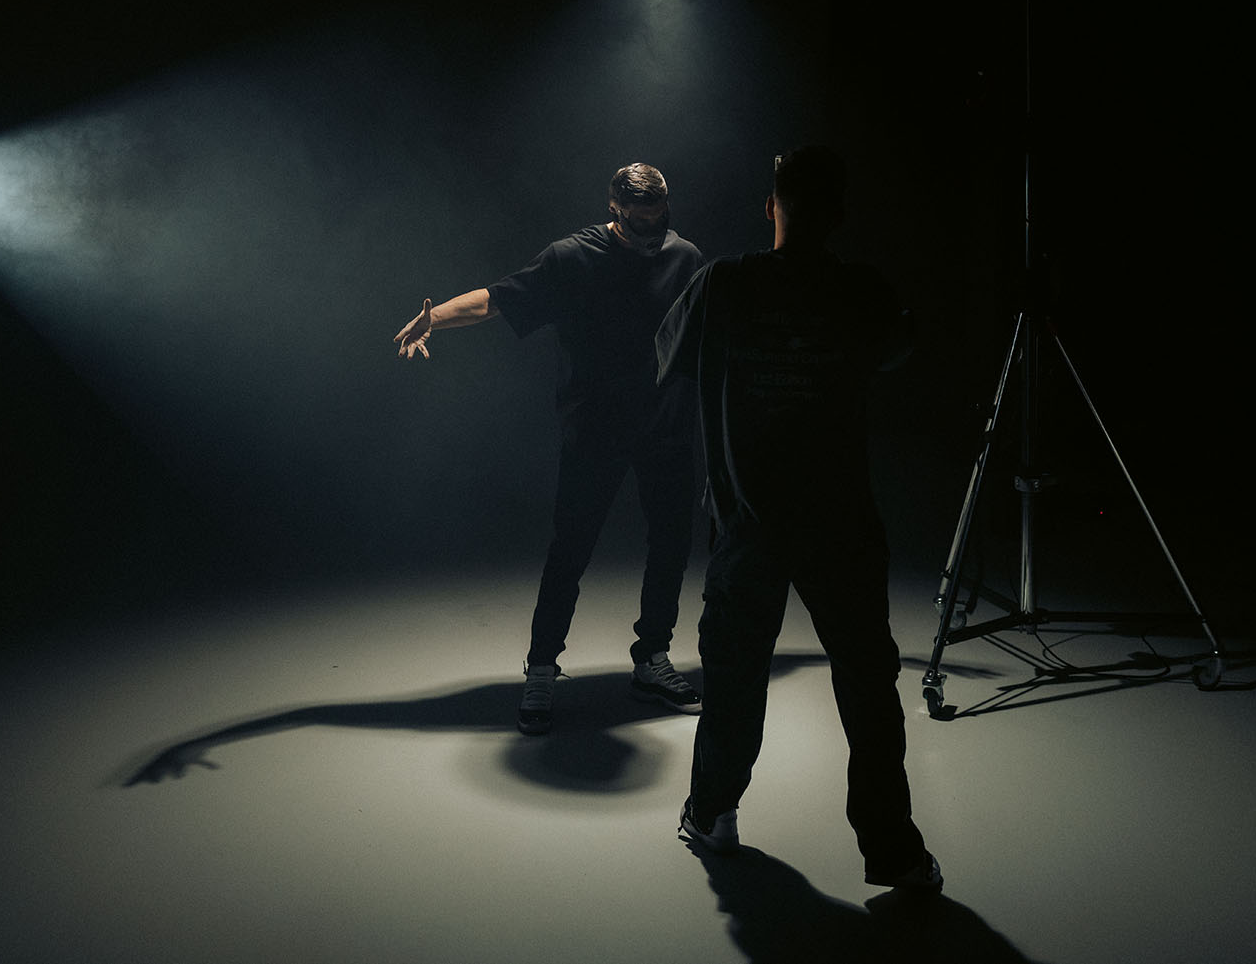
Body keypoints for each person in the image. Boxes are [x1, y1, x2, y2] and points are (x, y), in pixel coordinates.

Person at [654, 146, 942, 892]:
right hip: (840, 520)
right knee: (868, 683)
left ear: (770, 205)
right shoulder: (861, 291)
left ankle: (712, 812)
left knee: (735, 673)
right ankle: (895, 852)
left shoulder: (721, 284)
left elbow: (671, 359)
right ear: (839, 215)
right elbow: (897, 350)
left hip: (748, 521)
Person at [392, 163, 706, 735]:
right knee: (570, 550)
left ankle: (652, 659)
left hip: (665, 428)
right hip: (596, 429)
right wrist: (434, 318)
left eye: (660, 219)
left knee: (671, 546)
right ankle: (541, 668)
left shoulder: (684, 257)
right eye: (640, 222)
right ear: (614, 209)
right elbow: (497, 299)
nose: (652, 232)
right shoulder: (571, 257)